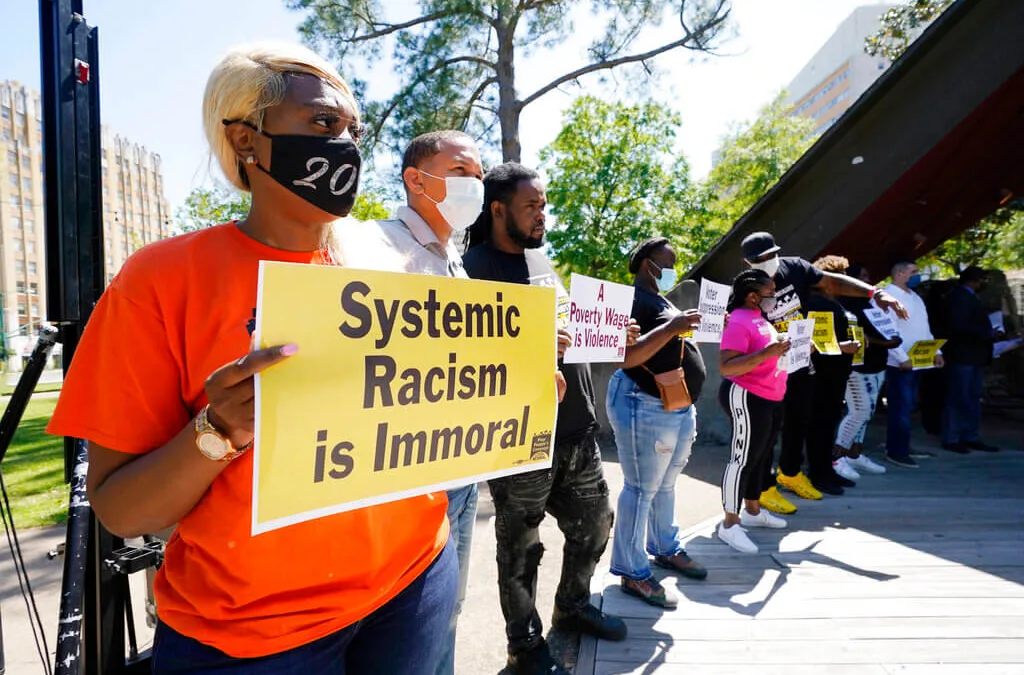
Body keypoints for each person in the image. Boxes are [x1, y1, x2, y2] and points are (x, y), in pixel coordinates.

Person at [47, 44, 458, 674]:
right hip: (252, 638)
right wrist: (217, 432)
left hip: (417, 584)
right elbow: (122, 509)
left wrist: (505, 390)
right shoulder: (161, 281)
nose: (345, 144)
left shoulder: (386, 260)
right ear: (246, 142)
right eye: (323, 124)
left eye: (353, 129)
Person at [462, 162, 626, 675]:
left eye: (544, 204)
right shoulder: (469, 269)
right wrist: (525, 347)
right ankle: (525, 645)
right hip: (520, 439)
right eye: (532, 205)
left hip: (579, 433)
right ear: (498, 209)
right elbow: (461, 358)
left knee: (596, 526)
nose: (542, 214)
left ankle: (573, 608)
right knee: (521, 548)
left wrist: (610, 332)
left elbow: (565, 334)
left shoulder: (541, 264)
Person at [334, 129, 484, 675]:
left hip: (461, 471)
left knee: (447, 610)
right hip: (403, 478)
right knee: (405, 632)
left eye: (480, 175)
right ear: (416, 180)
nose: (476, 184)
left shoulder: (456, 261)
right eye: (463, 171)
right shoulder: (368, 247)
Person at [738, 232, 908, 510]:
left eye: (771, 255)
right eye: (760, 260)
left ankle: (791, 473)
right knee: (767, 430)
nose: (768, 262)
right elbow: (737, 323)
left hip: (802, 360)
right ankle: (764, 488)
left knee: (799, 420)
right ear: (747, 262)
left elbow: (831, 281)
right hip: (767, 367)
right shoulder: (743, 285)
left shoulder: (794, 267)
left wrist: (873, 292)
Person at [606, 237, 707, 609]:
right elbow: (625, 357)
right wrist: (672, 326)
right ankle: (632, 572)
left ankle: (665, 547)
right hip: (642, 402)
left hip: (674, 404)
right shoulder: (631, 300)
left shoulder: (658, 300)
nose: (675, 268)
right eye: (670, 262)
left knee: (665, 485)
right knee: (641, 488)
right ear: (649, 265)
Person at [718, 269, 792, 554]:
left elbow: (769, 353)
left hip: (770, 396)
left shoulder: (760, 318)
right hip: (747, 396)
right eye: (770, 292)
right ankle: (730, 524)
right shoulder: (738, 321)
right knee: (742, 460)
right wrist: (768, 353)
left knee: (761, 458)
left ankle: (752, 510)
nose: (774, 296)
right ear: (752, 296)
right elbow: (727, 367)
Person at [833, 263, 900, 476]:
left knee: (867, 413)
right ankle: (836, 457)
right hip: (856, 367)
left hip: (877, 364)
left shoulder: (870, 302)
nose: (867, 280)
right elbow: (854, 333)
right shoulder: (843, 304)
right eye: (862, 276)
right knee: (859, 410)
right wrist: (884, 343)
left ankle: (853, 454)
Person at [803, 256, 863, 493]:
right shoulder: (817, 304)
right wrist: (844, 346)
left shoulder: (831, 303)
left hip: (834, 375)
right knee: (820, 425)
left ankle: (826, 470)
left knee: (828, 425)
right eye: (841, 277)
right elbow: (817, 341)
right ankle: (819, 474)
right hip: (822, 376)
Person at [883, 260, 945, 468]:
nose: (918, 275)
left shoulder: (915, 297)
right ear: (900, 274)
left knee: (908, 407)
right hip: (900, 364)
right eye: (914, 272)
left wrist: (937, 351)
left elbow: (924, 327)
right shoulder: (887, 297)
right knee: (900, 409)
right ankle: (896, 451)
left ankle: (904, 445)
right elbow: (886, 330)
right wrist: (901, 357)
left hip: (919, 360)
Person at [941, 265, 1000, 453]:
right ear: (973, 280)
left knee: (972, 397)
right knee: (959, 396)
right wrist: (987, 333)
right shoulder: (958, 297)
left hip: (974, 355)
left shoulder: (970, 297)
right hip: (963, 355)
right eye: (981, 280)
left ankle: (969, 435)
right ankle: (953, 437)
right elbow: (959, 325)